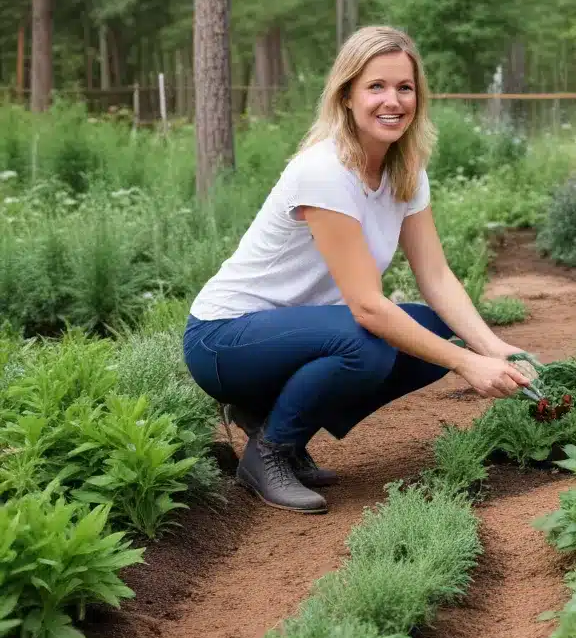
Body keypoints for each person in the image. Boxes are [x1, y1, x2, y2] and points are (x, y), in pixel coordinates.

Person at [182, 26, 532, 514]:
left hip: (296, 336)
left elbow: (435, 277)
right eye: (376, 87)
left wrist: (494, 347)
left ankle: (277, 420)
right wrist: (469, 365)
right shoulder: (324, 171)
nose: (393, 101)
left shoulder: (405, 171)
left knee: (432, 330)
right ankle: (268, 454)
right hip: (224, 339)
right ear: (346, 95)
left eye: (404, 88)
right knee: (368, 342)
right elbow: (367, 307)